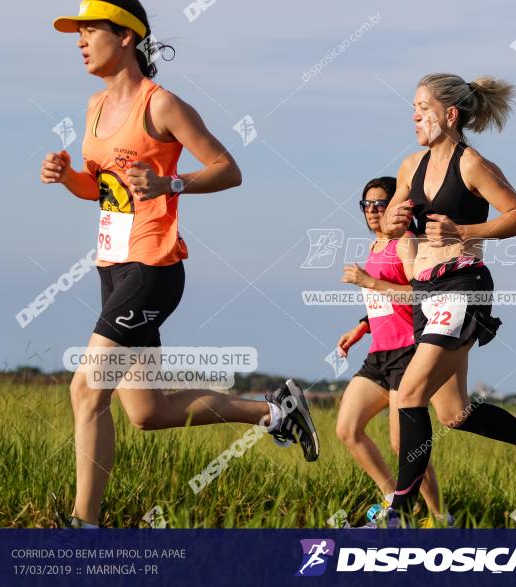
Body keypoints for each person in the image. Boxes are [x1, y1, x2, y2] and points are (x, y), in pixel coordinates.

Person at [44, 0, 318, 528]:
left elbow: (227, 168)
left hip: (153, 267)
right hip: (113, 265)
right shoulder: (94, 107)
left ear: (126, 36)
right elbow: (102, 190)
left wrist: (172, 183)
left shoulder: (162, 104)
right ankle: (275, 409)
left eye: (90, 30)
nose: (80, 41)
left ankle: (85, 527)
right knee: (147, 413)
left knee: (86, 388)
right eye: (76, 33)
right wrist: (67, 177)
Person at [375, 73, 516, 527]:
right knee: (453, 413)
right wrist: (392, 221)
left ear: (449, 115)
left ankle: (395, 515)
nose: (414, 115)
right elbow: (396, 227)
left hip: (463, 286)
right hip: (425, 294)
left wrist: (463, 231)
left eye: (422, 107)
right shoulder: (410, 166)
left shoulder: (472, 165)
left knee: (409, 394)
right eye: (412, 107)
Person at [335, 176, 450, 527]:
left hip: (408, 353)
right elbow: (384, 301)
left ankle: (441, 518)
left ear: (399, 207)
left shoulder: (407, 243)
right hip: (378, 355)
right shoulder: (373, 249)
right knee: (348, 429)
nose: (373, 211)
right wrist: (362, 326)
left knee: (405, 446)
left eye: (381, 204)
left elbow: (420, 297)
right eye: (367, 205)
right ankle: (395, 503)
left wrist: (368, 282)